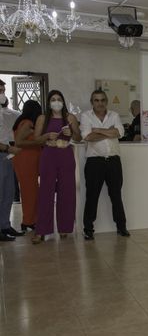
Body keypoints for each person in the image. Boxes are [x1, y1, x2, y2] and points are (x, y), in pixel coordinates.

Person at [31, 90, 82, 244]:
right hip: (48, 155)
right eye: (53, 99)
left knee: (67, 191)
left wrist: (71, 132)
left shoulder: (70, 117)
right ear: (48, 102)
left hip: (66, 155)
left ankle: (65, 227)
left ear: (63, 101)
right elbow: (36, 140)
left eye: (59, 99)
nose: (56, 102)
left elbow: (79, 138)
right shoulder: (42, 118)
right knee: (45, 191)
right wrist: (46, 136)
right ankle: (41, 231)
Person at [80, 89, 129, 240]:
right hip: (95, 162)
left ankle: (121, 227)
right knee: (92, 196)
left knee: (116, 195)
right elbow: (88, 137)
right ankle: (88, 229)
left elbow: (119, 133)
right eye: (96, 100)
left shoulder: (114, 115)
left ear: (106, 102)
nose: (100, 103)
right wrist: (109, 131)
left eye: (102, 100)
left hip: (113, 161)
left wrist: (98, 130)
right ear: (92, 102)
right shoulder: (85, 116)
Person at [13, 100, 49, 232]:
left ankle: (31, 219)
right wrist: (40, 141)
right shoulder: (27, 123)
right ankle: (28, 221)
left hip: (27, 160)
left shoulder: (23, 122)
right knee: (29, 192)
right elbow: (19, 142)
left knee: (32, 190)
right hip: (26, 160)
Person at [0, 80, 23, 241]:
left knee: (8, 193)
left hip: (7, 156)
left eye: (3, 90)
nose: (2, 93)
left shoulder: (3, 112)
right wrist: (7, 148)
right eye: (0, 90)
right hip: (3, 153)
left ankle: (5, 225)